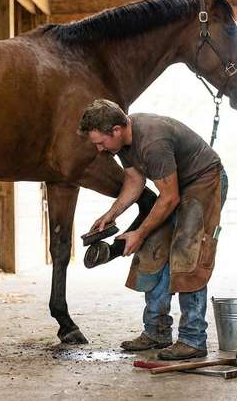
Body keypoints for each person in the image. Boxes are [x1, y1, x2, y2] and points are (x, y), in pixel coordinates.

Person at [77, 98, 228, 360]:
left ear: (116, 130)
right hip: (175, 186)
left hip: (203, 180)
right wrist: (110, 215)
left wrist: (139, 232)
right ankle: (157, 331)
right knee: (153, 250)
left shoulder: (153, 142)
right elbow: (135, 180)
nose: (100, 149)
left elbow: (169, 197)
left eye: (101, 142)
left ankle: (193, 338)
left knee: (188, 252)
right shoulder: (123, 143)